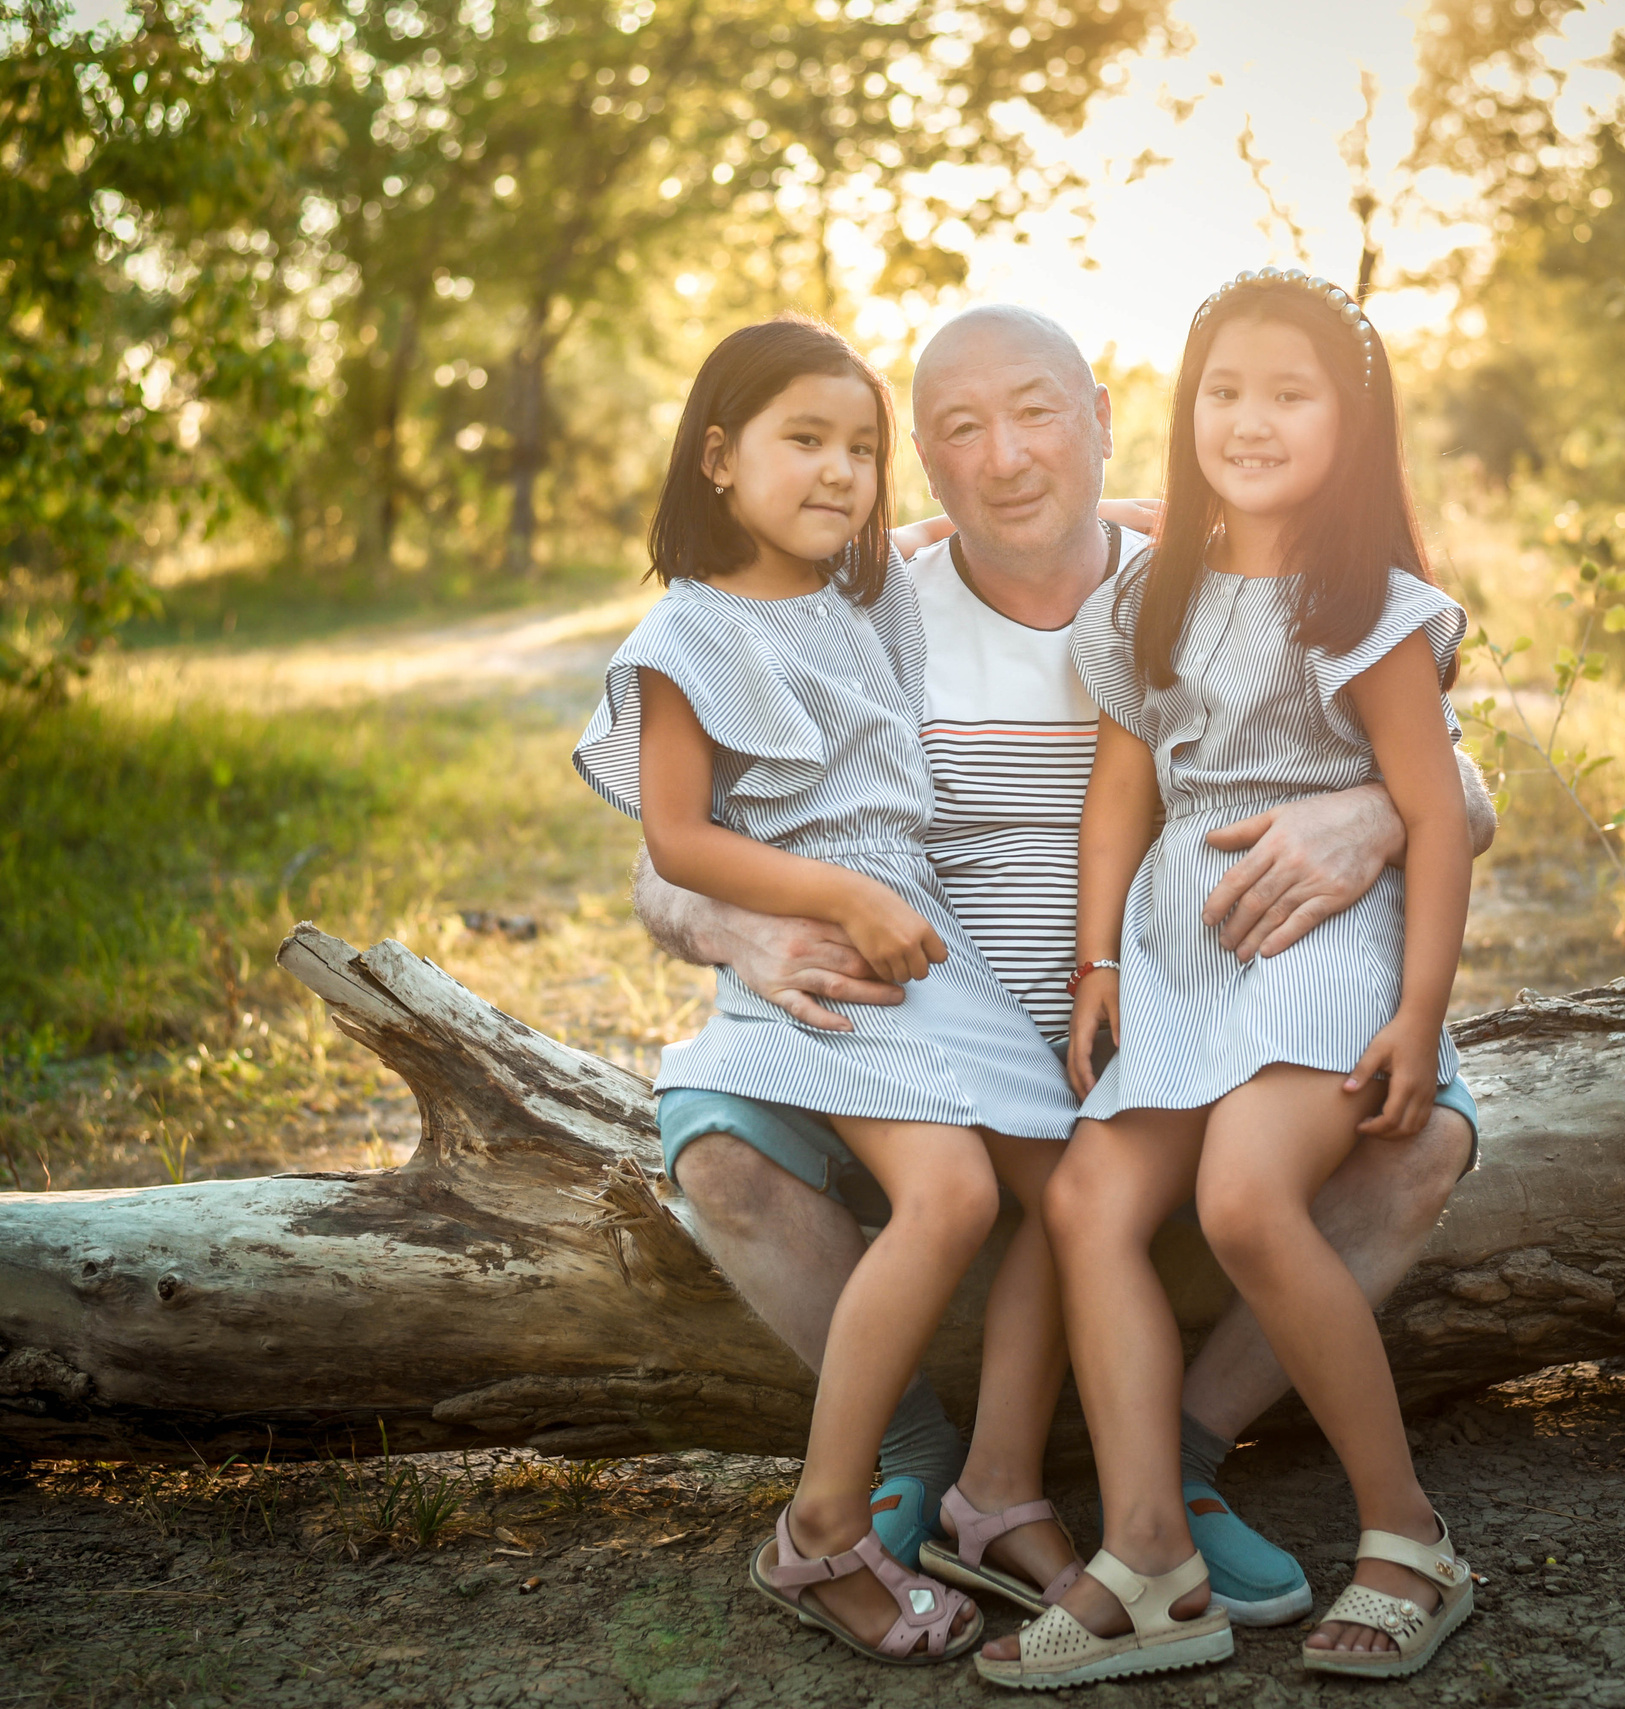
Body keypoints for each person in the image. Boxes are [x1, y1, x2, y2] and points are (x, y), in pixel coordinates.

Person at [634, 303, 1494, 1627]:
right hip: (923, 1018)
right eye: (961, 431)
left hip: (1175, 1005)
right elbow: (675, 847)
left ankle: (1183, 1465)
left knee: (1415, 1139)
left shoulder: (1199, 574)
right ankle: (913, 1456)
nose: (1009, 457)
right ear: (919, 458)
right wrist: (739, 926)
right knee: (723, 1156)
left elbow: (1443, 774)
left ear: (1103, 416)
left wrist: (1370, 811)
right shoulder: (868, 606)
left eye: (1040, 412)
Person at [978, 270, 1479, 1689]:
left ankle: (1408, 1537)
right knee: (1086, 1195)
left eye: (1289, 392)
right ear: (1184, 405)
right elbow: (1115, 799)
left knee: (1246, 1194)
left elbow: (1434, 815)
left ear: (1352, 417)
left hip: (1326, 943)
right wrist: (1091, 961)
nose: (1249, 420)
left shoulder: (1367, 603)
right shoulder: (1155, 595)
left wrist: (1419, 1013)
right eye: (1224, 389)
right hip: (1176, 948)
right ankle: (1154, 1560)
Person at [571, 316, 1079, 1665]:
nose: (843, 470)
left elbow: (1039, 521)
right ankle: (821, 1524)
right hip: (831, 938)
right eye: (808, 440)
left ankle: (997, 1486)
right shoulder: (689, 633)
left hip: (920, 933)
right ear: (721, 456)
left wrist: (1189, 515)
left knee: (1077, 1188)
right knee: (958, 1190)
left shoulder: (867, 594)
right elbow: (679, 839)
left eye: (864, 446)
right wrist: (841, 896)